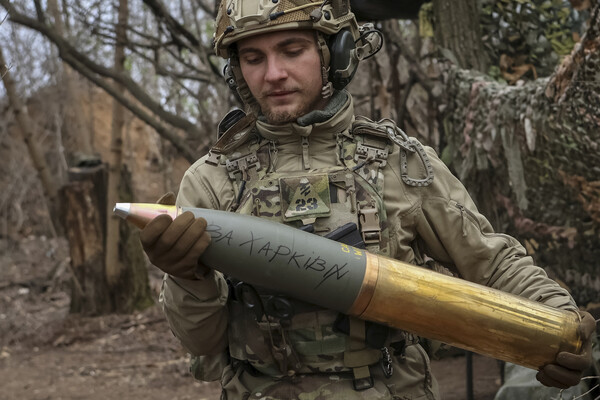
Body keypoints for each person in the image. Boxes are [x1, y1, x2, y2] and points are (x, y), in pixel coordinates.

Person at [140, 1, 596, 398]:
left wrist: (559, 321)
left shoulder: (401, 163)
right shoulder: (212, 181)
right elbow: (202, 343)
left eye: (292, 50)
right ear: (236, 71)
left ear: (335, 52)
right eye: (253, 58)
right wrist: (187, 278)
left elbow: (491, 262)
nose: (273, 74)